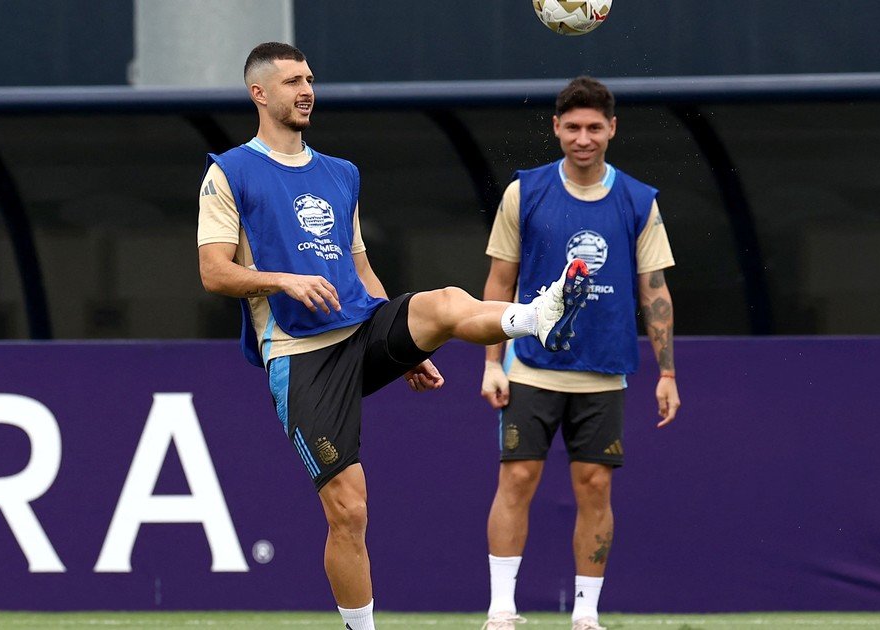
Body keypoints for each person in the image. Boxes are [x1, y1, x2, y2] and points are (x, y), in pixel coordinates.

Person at [197, 42, 593, 630]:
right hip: (301, 355)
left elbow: (359, 268)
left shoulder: (341, 173)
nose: (307, 91)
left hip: (362, 330)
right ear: (259, 93)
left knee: (445, 303)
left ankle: (536, 316)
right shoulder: (229, 172)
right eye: (293, 82)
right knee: (349, 511)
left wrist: (401, 346)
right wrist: (283, 279)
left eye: (310, 79)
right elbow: (213, 272)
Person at [478, 76, 681, 630]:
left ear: (612, 128)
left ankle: (586, 615)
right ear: (556, 128)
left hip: (604, 373)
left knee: (595, 487)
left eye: (594, 127)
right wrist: (492, 362)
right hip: (530, 368)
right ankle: (501, 610)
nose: (583, 138)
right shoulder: (525, 192)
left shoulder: (638, 200)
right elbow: (499, 283)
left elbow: (654, 291)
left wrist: (666, 373)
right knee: (517, 480)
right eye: (572, 127)